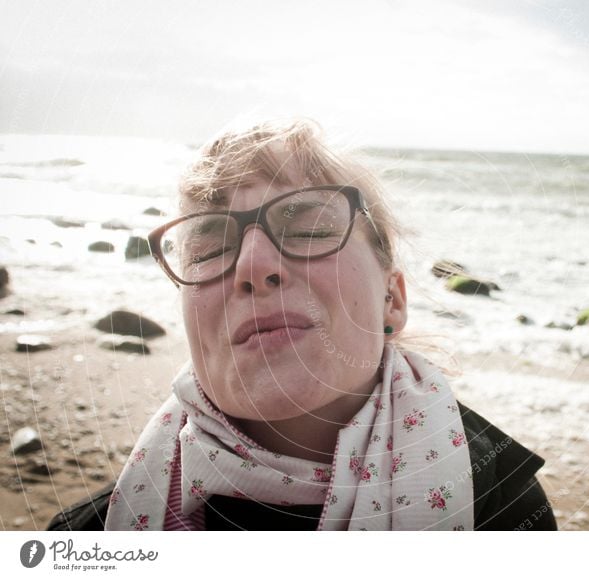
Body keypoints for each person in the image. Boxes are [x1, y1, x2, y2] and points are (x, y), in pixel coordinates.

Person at [48, 119, 556, 531]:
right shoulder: (90, 538)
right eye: (210, 247)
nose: (252, 264)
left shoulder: (503, 511)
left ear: (393, 300)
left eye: (309, 227)